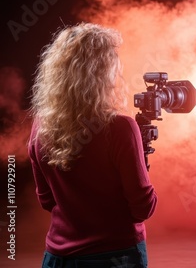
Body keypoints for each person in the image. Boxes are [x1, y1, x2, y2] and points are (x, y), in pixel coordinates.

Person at [28, 23, 157, 268]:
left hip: (57, 259)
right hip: (114, 257)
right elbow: (142, 208)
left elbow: (47, 200)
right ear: (104, 72)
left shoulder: (40, 125)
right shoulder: (120, 128)